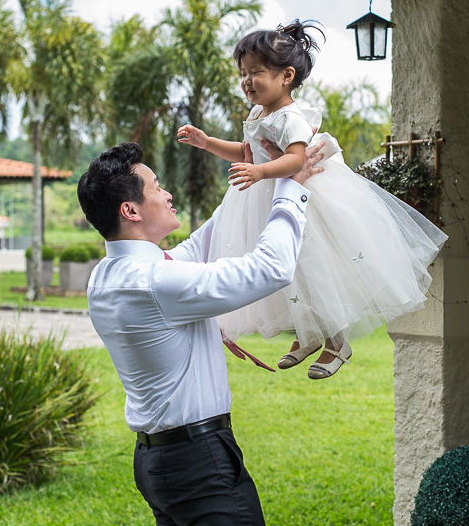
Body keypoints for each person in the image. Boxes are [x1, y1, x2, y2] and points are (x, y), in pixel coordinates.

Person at [177, 20, 448, 380]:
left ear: (286, 76)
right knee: (289, 274)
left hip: (303, 199)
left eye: (255, 72)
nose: (246, 80)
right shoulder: (259, 113)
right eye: (243, 73)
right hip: (270, 197)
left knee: (312, 269)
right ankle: (307, 335)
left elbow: (295, 159)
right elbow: (247, 149)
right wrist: (207, 142)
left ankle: (337, 342)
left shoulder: (291, 116)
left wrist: (260, 171)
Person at [77, 139, 324, 525]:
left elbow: (198, 247)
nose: (168, 193)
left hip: (158, 461)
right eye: (157, 187)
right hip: (197, 463)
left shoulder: (108, 276)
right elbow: (271, 268)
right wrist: (291, 186)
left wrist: (253, 180)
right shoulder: (154, 281)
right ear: (130, 210)